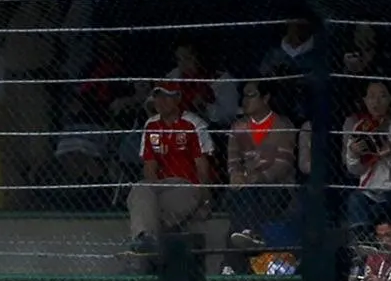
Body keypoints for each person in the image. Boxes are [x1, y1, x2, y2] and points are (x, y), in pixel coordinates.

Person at [125, 84, 215, 264]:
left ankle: (147, 243)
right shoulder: (151, 125)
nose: (161, 102)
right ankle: (146, 240)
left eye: (167, 97)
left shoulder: (193, 123)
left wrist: (205, 199)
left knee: (148, 213)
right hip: (161, 186)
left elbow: (202, 165)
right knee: (139, 188)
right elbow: (149, 166)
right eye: (158, 97)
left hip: (187, 186)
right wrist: (154, 191)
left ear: (178, 99)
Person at [227, 81, 299, 253]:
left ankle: (247, 237)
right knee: (237, 193)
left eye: (251, 95)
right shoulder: (238, 127)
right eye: (244, 95)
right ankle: (247, 236)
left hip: (277, 187)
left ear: (265, 98)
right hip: (246, 185)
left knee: (255, 193)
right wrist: (235, 175)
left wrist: (258, 178)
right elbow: (233, 160)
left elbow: (283, 164)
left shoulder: (283, 125)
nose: (245, 100)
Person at [343, 80, 391, 237]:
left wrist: (390, 153)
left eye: (382, 96)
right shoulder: (360, 127)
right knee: (355, 199)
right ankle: (362, 245)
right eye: (371, 97)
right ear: (365, 100)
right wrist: (353, 153)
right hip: (370, 189)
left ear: (390, 99)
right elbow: (354, 169)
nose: (376, 102)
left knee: (385, 204)